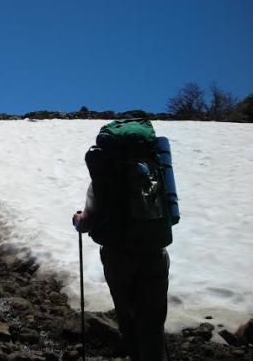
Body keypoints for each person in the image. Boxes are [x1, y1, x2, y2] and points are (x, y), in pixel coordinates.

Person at [72, 122, 172, 361]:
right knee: (153, 319)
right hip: (154, 252)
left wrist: (78, 220)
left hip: (118, 257)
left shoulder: (104, 177)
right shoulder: (155, 171)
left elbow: (87, 221)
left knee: (128, 316)